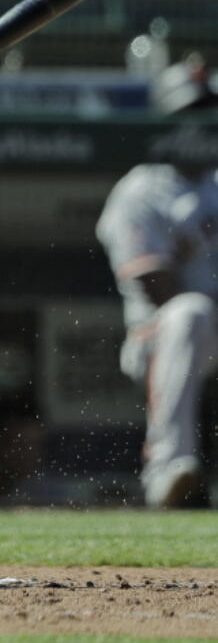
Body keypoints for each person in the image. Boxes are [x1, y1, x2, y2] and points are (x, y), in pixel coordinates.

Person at [96, 57, 218, 508]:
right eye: (188, 113)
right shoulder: (142, 189)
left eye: (207, 112)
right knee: (191, 313)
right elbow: (156, 286)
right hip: (157, 337)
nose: (200, 125)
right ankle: (166, 467)